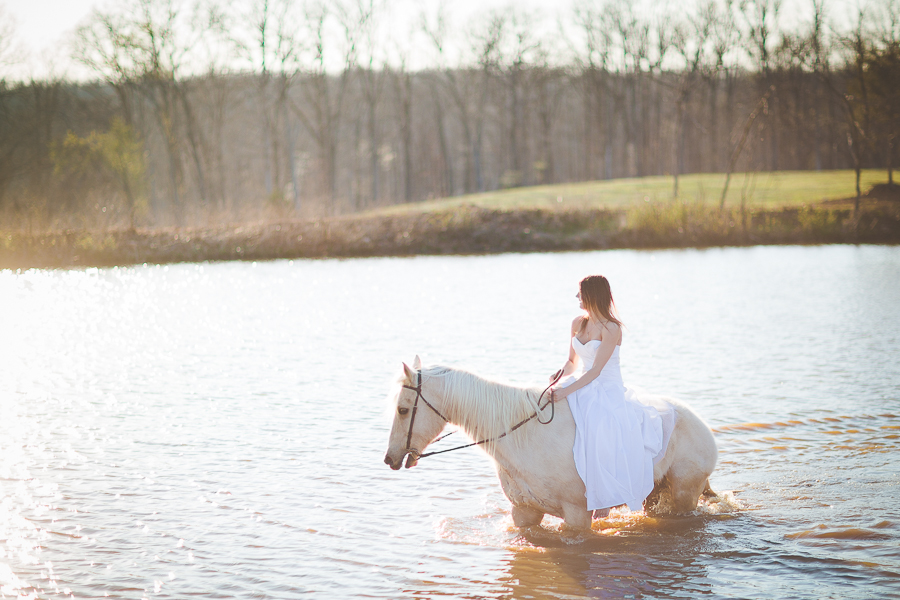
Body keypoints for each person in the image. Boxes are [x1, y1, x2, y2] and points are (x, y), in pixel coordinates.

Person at [550, 275, 665, 518]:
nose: (576, 298)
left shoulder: (612, 328)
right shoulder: (577, 323)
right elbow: (572, 363)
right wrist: (557, 378)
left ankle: (602, 501)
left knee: (599, 424)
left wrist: (566, 392)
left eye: (580, 293)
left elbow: (596, 371)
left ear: (592, 295)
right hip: (583, 382)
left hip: (606, 388)